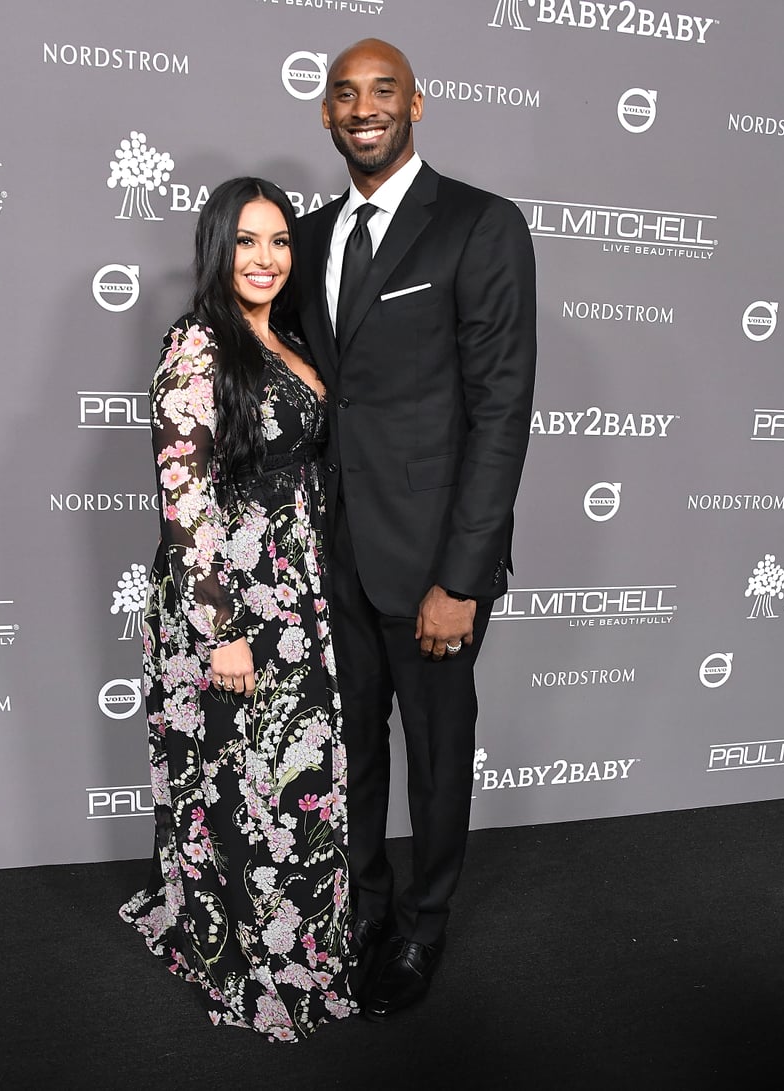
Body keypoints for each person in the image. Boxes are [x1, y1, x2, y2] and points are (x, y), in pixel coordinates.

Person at [296, 39, 537, 1020]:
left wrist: (463, 576)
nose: (364, 108)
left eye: (382, 91)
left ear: (417, 105)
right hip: (327, 556)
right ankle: (362, 910)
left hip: (433, 562)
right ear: (325, 114)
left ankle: (424, 926)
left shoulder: (479, 225)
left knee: (437, 758)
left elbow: (501, 409)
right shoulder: (308, 236)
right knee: (349, 750)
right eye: (345, 95)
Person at [120, 177, 356, 1041]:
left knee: (298, 787)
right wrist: (222, 632)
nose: (266, 259)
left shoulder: (288, 338)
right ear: (218, 248)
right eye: (248, 242)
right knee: (247, 786)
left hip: (299, 597)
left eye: (281, 242)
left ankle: (306, 947)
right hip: (230, 611)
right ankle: (256, 961)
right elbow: (183, 500)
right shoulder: (196, 347)